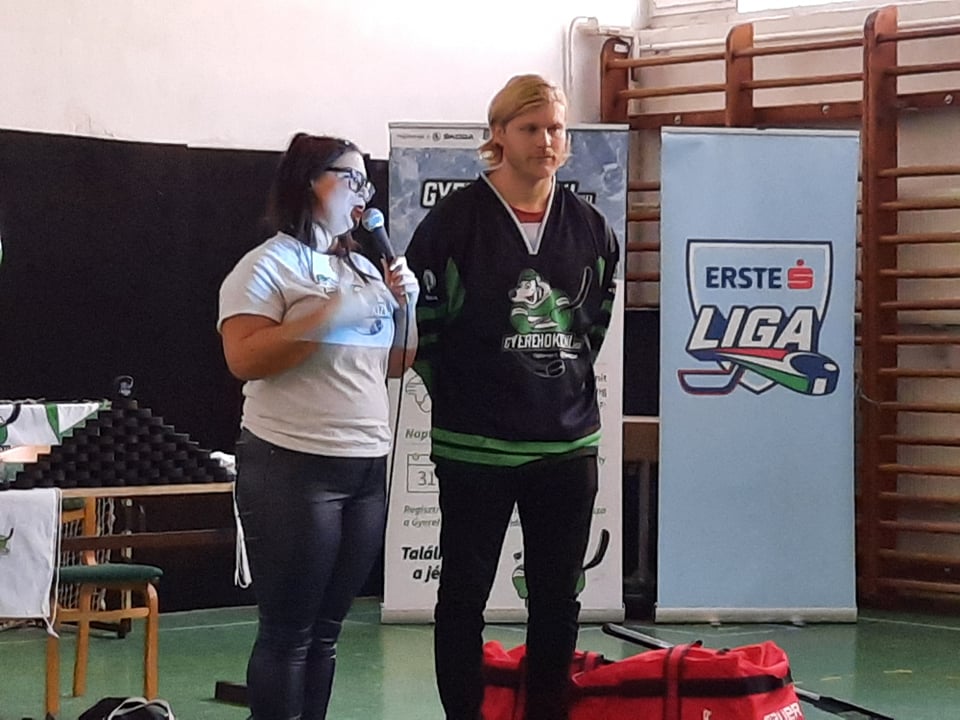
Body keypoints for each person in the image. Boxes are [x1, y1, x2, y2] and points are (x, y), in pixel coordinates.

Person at [405, 75, 620, 720]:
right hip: (476, 447)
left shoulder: (591, 227)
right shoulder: (452, 224)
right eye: (530, 128)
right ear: (497, 134)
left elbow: (592, 328)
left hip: (566, 446)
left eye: (555, 128)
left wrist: (554, 387)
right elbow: (424, 332)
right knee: (462, 600)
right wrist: (468, 397)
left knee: (557, 601)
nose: (546, 141)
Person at [217, 132, 418, 720]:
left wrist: (406, 304)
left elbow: (395, 364)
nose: (362, 195)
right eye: (350, 179)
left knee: (328, 632)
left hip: (365, 465)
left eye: (366, 184)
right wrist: (327, 317)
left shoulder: (364, 267)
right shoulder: (266, 265)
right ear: (309, 181)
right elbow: (244, 358)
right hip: (292, 465)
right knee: (288, 632)